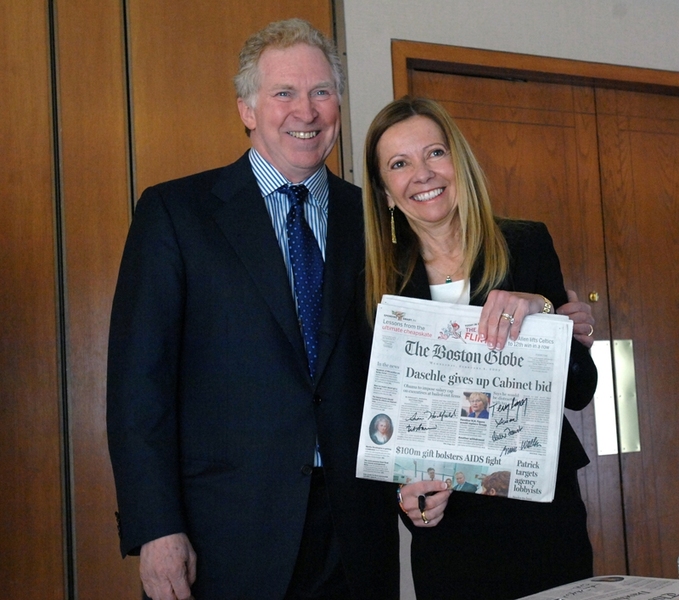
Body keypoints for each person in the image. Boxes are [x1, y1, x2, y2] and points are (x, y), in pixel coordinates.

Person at [106, 19, 399, 600]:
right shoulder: (176, 213)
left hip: (355, 534)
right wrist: (156, 528)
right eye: (284, 93)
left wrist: (539, 304)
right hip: (223, 537)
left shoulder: (374, 221)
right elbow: (139, 386)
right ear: (247, 109)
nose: (306, 111)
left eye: (321, 92)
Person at [362, 96, 598, 600]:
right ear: (384, 192)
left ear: (458, 163)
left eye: (434, 154)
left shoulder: (527, 243)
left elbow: (580, 388)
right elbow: (377, 424)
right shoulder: (376, 287)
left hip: (542, 516)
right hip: (450, 532)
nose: (422, 174)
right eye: (400, 165)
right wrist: (409, 503)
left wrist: (545, 314)